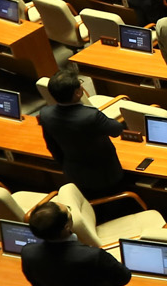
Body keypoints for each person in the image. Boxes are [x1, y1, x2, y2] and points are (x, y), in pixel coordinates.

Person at [37, 70, 127, 199]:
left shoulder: (46, 113)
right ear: (78, 93)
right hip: (105, 175)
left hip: (73, 173)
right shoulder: (90, 115)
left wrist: (66, 166)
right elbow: (116, 130)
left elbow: (52, 146)